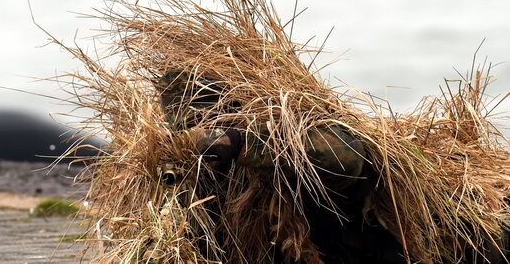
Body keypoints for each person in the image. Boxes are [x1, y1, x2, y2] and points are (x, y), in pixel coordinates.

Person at [157, 70, 508, 263]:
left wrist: (241, 144)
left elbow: (347, 157)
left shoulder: (297, 132)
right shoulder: (198, 189)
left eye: (201, 126)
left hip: (467, 244)